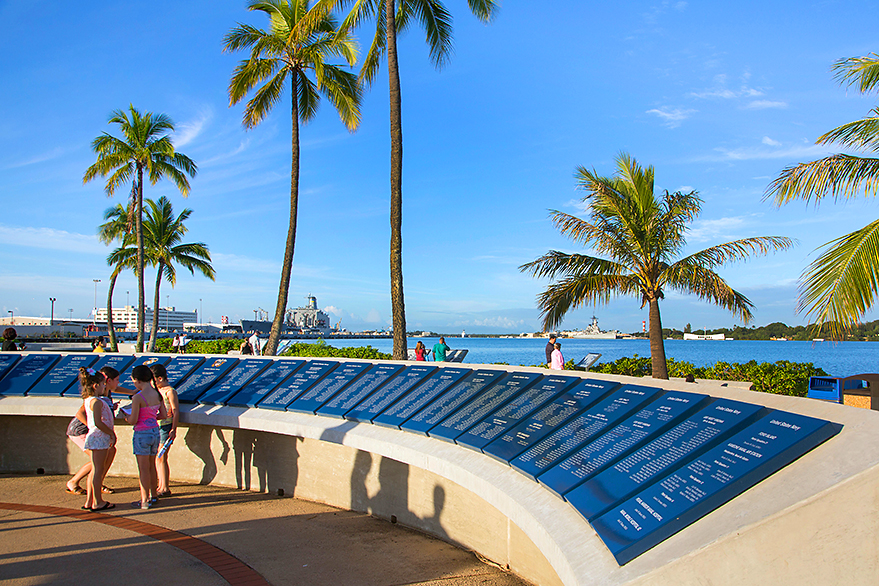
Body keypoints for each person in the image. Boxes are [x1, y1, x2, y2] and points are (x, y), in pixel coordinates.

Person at [125, 365, 167, 509]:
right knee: (151, 466)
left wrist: (126, 417)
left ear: (137, 380)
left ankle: (144, 499)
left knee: (142, 469)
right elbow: (163, 415)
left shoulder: (138, 397)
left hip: (142, 433)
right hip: (155, 431)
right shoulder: (157, 394)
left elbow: (133, 419)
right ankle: (154, 496)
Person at [80, 367, 115, 511]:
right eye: (102, 384)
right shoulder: (97, 402)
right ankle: (97, 501)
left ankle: (90, 500)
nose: (104, 387)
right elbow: (98, 422)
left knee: (95, 469)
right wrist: (111, 433)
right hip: (99, 438)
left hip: (95, 437)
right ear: (96, 385)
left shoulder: (88, 400)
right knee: (98, 470)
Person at [150, 363, 178, 497]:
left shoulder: (170, 391)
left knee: (161, 457)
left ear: (160, 378)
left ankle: (165, 487)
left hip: (166, 427)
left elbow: (175, 411)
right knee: (158, 457)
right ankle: (161, 485)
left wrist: (174, 429)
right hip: (157, 425)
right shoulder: (157, 391)